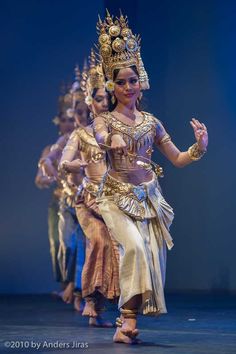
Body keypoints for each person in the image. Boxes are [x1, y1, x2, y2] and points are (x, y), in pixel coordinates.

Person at [93, 11, 208, 344]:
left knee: (150, 255)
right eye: (122, 82)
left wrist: (198, 147)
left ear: (140, 81)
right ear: (112, 85)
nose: (128, 87)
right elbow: (101, 137)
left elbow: (177, 159)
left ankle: (127, 322)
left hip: (148, 196)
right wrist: (111, 140)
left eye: (133, 80)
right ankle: (124, 320)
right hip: (115, 197)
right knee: (134, 249)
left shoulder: (151, 122)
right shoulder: (106, 120)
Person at [59, 50, 120, 327]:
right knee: (98, 241)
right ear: (89, 101)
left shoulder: (115, 130)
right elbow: (64, 162)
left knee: (118, 246)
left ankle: (103, 308)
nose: (103, 104)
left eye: (107, 99)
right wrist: (77, 164)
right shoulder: (80, 134)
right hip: (87, 199)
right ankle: (90, 302)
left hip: (111, 198)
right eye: (98, 99)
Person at [39, 76, 88, 310]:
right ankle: (71, 287)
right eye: (69, 118)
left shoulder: (92, 136)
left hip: (88, 199)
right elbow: (45, 166)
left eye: (79, 115)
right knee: (64, 245)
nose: (73, 122)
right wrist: (49, 171)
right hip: (64, 200)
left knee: (83, 246)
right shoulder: (62, 142)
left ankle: (78, 291)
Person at [35, 92, 76, 294]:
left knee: (74, 244)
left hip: (77, 200)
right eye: (64, 120)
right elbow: (39, 178)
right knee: (58, 245)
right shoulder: (51, 150)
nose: (68, 124)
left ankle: (74, 287)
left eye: (71, 120)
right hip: (58, 200)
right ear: (58, 123)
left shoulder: (78, 144)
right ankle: (65, 285)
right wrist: (50, 178)